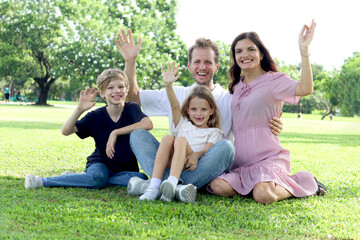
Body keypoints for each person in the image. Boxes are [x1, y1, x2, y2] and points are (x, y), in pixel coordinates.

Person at [115, 30, 283, 202]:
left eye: (208, 62)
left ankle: (156, 185)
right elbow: (133, 97)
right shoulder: (177, 92)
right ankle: (176, 187)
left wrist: (274, 122)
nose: (202, 67)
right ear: (189, 66)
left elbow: (255, 112)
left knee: (226, 147)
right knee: (138, 135)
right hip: (174, 161)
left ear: (216, 67)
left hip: (205, 165)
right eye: (197, 62)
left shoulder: (230, 99)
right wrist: (130, 61)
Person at [209, 20, 327, 204]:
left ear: (261, 53)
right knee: (218, 186)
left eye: (250, 49)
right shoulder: (237, 86)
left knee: (263, 195)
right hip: (241, 163)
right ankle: (257, 185)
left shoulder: (274, 80)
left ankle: (304, 180)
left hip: (268, 158)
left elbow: (305, 88)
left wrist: (304, 50)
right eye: (238, 51)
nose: (244, 55)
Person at [25, 69, 153, 190]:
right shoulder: (96, 116)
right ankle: (43, 181)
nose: (117, 91)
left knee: (140, 177)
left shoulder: (132, 108)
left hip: (125, 169)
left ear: (126, 90)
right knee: (98, 178)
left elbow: (148, 124)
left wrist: (115, 132)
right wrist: (79, 110)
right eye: (110, 88)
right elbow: (66, 130)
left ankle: (78, 178)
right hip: (100, 164)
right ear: (102, 94)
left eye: (121, 87)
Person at [139, 63, 224, 203]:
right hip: (173, 163)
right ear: (188, 110)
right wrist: (168, 85)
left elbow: (206, 151)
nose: (198, 114)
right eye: (194, 109)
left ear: (211, 110)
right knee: (167, 138)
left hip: (192, 166)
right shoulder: (183, 124)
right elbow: (174, 105)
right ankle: (154, 186)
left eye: (203, 109)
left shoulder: (214, 132)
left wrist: (195, 156)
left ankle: (172, 184)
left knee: (180, 140)